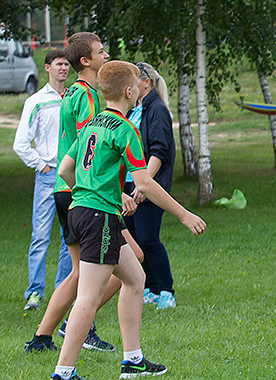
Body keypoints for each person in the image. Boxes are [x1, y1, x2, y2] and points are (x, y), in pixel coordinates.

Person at [51, 60, 206, 380]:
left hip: (80, 210)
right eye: (136, 83)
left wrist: (105, 192)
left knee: (135, 278)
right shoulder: (125, 129)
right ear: (130, 90)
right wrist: (183, 213)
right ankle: (63, 372)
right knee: (88, 297)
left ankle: (132, 360)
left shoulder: (93, 124)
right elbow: (146, 183)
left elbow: (65, 170)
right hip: (98, 219)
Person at [24, 32, 134, 354]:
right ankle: (80, 327)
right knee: (121, 265)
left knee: (77, 273)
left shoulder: (72, 91)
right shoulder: (87, 98)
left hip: (66, 188)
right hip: (83, 192)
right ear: (86, 61)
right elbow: (96, 145)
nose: (106, 55)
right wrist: (119, 192)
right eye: (101, 52)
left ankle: (43, 336)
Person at [14, 50, 73, 311]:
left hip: (70, 177)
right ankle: (34, 293)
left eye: (66, 64)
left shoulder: (74, 97)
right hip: (48, 176)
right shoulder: (36, 101)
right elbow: (21, 143)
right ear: (47, 68)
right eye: (58, 65)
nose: (63, 69)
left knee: (68, 237)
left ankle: (62, 289)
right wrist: (42, 165)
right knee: (40, 236)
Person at [124, 62, 177, 309]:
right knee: (135, 239)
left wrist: (145, 184)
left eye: (135, 79)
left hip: (148, 185)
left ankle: (166, 290)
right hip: (128, 185)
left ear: (146, 82)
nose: (130, 85)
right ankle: (150, 288)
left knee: (149, 238)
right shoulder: (132, 110)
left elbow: (159, 152)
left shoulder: (156, 110)